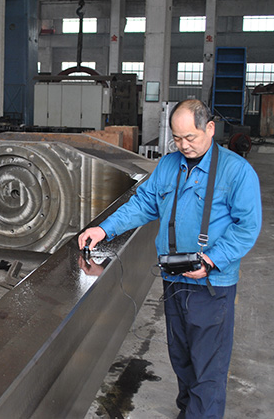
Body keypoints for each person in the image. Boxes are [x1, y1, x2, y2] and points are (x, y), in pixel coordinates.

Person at [78, 99, 262, 419]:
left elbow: (247, 227)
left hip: (211, 284)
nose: (183, 145)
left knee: (208, 365)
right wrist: (104, 229)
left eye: (190, 137)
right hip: (174, 278)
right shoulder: (168, 165)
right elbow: (144, 204)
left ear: (210, 129)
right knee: (182, 357)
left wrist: (211, 260)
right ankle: (188, 412)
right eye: (177, 138)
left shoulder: (236, 172)